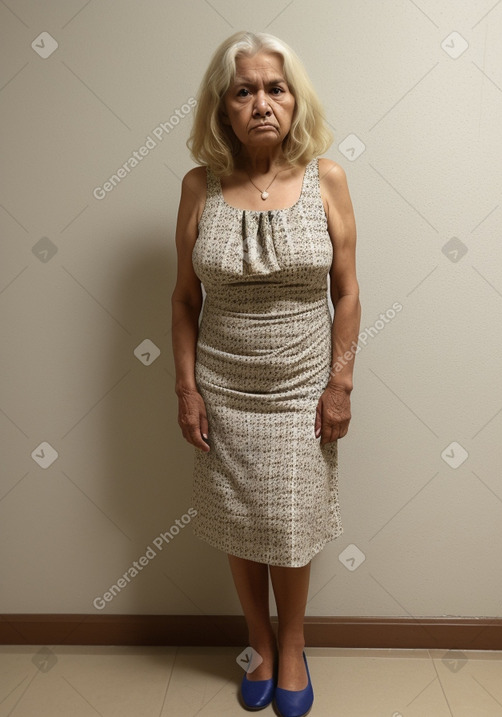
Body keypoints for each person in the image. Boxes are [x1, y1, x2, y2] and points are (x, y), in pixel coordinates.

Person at [171, 30, 360, 717]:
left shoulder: (328, 178)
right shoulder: (200, 186)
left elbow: (349, 290)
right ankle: (257, 639)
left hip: (303, 390)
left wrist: (340, 383)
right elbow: (185, 297)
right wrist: (186, 388)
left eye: (275, 89)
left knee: (288, 520)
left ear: (295, 99)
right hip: (223, 389)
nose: (261, 102)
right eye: (244, 89)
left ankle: (293, 643)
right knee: (237, 518)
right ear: (223, 106)